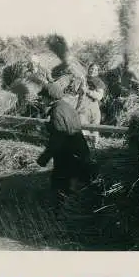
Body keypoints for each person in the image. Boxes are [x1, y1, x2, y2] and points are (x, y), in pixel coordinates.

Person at [36, 83, 93, 211]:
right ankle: (68, 209)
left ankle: (58, 212)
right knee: (73, 182)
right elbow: (68, 126)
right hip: (79, 149)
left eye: (43, 97)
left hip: (68, 153)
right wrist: (49, 126)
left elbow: (58, 138)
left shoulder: (56, 111)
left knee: (60, 183)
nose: (42, 100)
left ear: (50, 97)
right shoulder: (67, 107)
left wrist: (44, 158)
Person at [76, 63, 106, 148]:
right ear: (88, 69)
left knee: (94, 128)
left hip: (93, 107)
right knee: (82, 127)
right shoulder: (83, 79)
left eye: (95, 69)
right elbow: (76, 93)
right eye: (91, 68)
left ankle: (95, 148)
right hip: (82, 106)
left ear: (97, 72)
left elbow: (99, 97)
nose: (93, 71)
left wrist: (88, 91)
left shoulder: (99, 82)